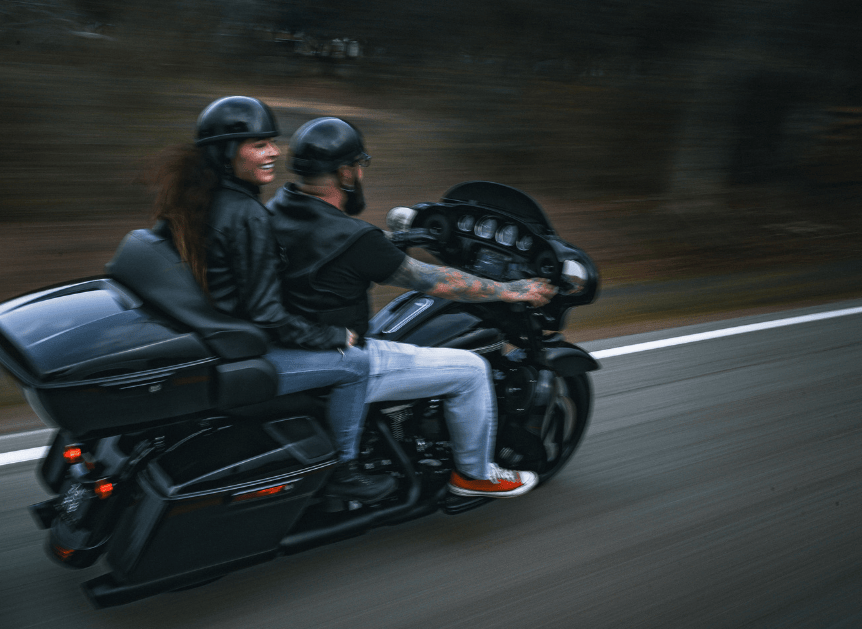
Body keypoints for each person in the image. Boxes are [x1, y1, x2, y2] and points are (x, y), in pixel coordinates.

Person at [268, 117, 558, 498]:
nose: (359, 173)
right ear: (346, 173)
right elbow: (435, 281)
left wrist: (389, 241)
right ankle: (474, 474)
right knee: (471, 370)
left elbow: (327, 246)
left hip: (288, 347)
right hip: (340, 354)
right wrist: (511, 290)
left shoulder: (277, 208)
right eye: (359, 165)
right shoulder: (355, 239)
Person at [146, 97, 395, 503]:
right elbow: (267, 316)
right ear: (227, 151)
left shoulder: (193, 196)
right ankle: (343, 474)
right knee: (357, 363)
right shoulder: (246, 215)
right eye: (258, 144)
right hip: (242, 351)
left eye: (272, 143)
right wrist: (333, 334)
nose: (274, 152)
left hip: (204, 333)